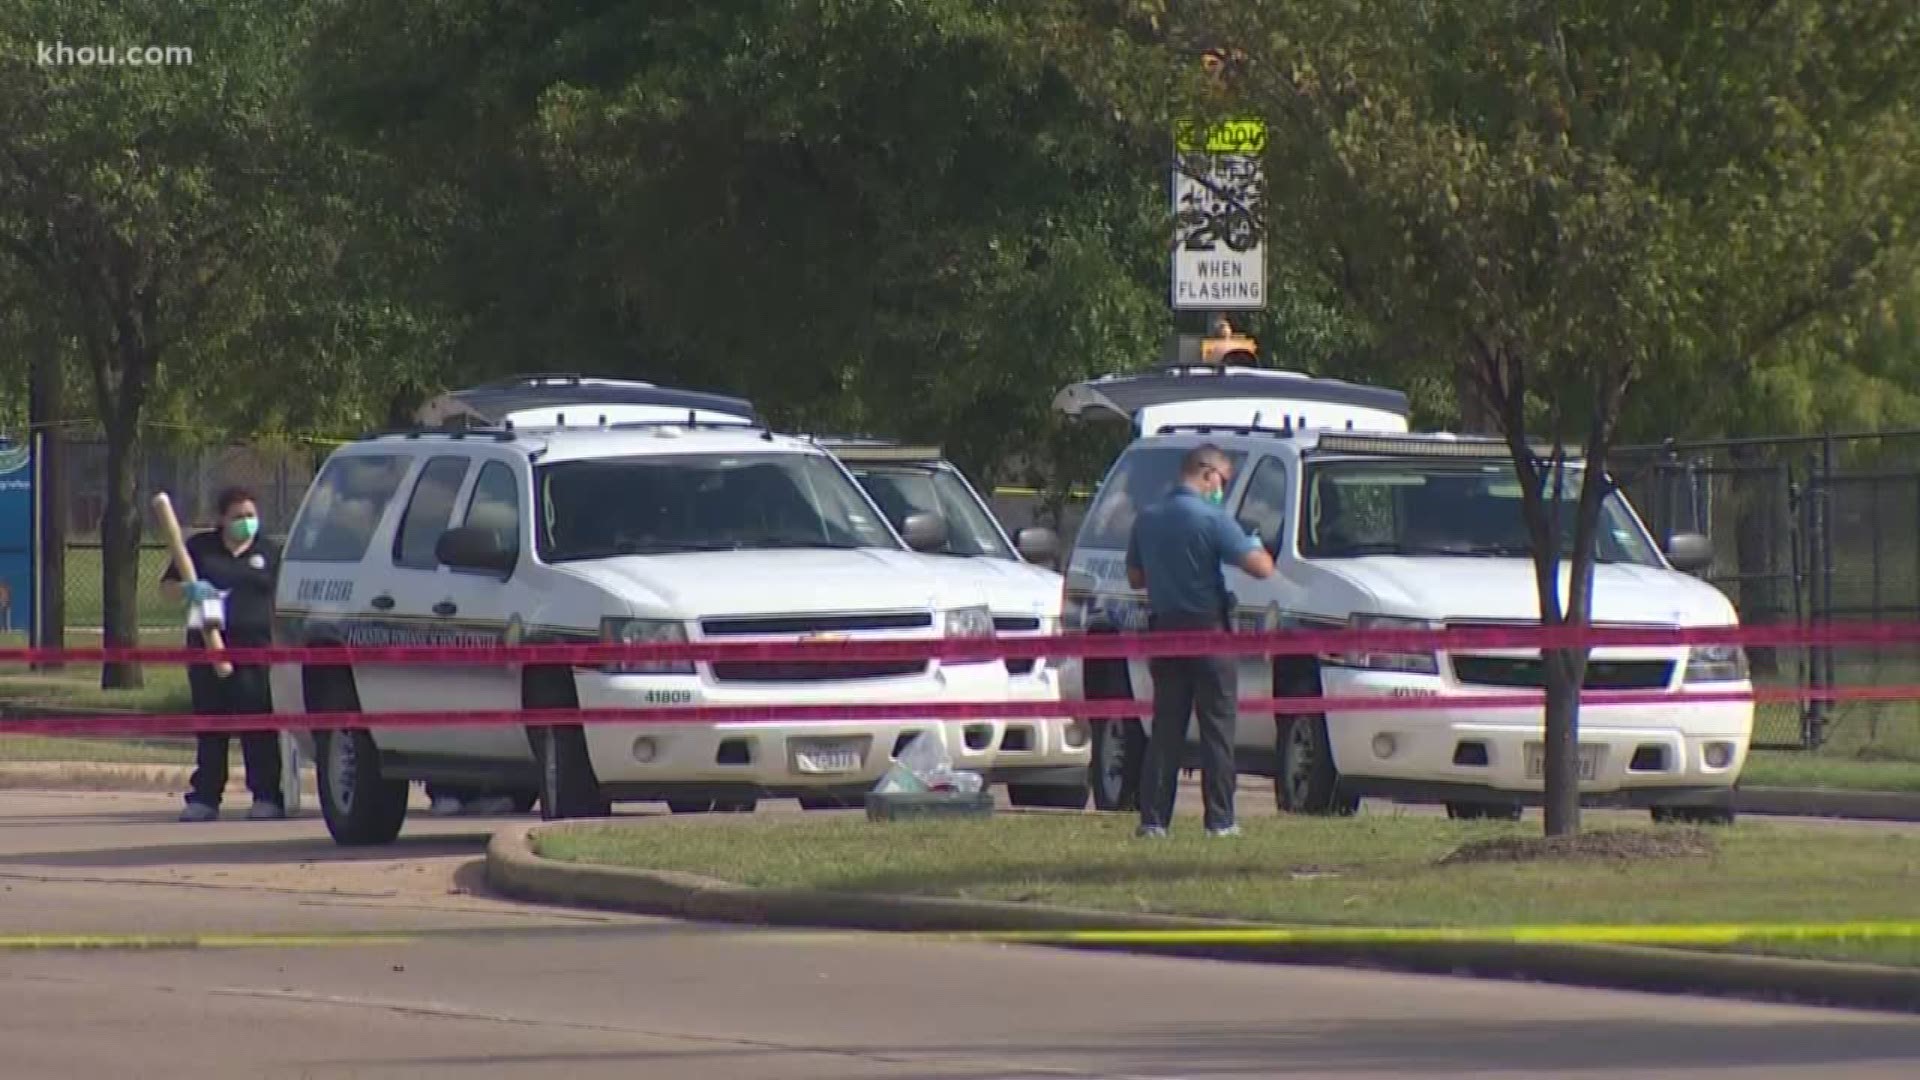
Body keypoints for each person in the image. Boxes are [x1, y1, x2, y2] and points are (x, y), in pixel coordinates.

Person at [1124, 444, 1275, 838]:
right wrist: (1254, 538)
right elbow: (1261, 569)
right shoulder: (1213, 518)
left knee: (1165, 731)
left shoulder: (1148, 517)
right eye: (1223, 481)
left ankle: (1154, 821)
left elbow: (1135, 579)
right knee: (1217, 731)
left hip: (1165, 633)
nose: (1222, 488)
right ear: (1207, 473)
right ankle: (1220, 821)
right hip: (1209, 633)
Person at [161, 486, 285, 822]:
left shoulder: (270, 552)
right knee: (211, 724)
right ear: (221, 519)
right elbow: (167, 588)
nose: (245, 522)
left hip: (256, 651)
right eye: (238, 516)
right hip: (208, 648)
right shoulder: (200, 549)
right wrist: (188, 589)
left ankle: (267, 796)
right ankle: (204, 798)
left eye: (250, 516)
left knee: (257, 724)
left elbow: (281, 599)